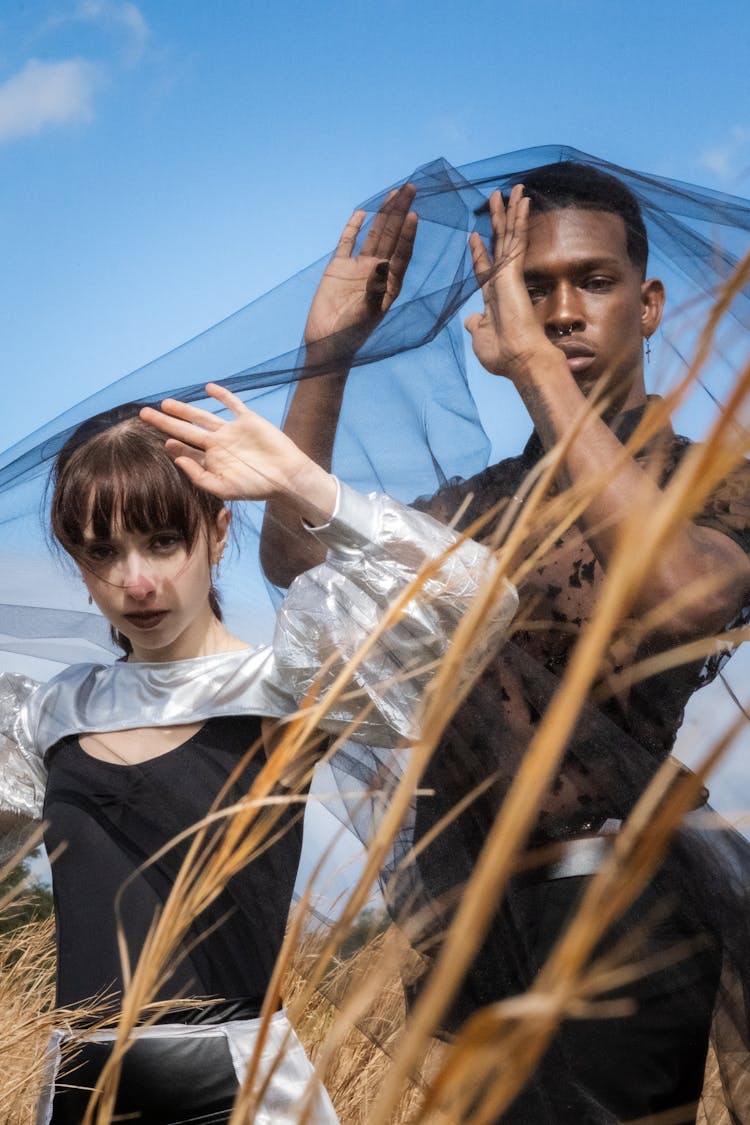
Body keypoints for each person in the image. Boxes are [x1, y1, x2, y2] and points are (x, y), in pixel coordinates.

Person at [260, 162, 750, 1122]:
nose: (562, 311)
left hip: (627, 909)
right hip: (468, 922)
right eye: (533, 287)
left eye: (593, 282)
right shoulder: (471, 510)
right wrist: (327, 354)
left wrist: (534, 373)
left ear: (648, 305)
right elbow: (295, 559)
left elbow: (684, 596)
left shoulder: (716, 481)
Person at [0, 381, 517, 1124]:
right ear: (80, 568)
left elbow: (478, 599)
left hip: (241, 1084)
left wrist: (304, 484)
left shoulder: (288, 683)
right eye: (104, 552)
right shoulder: (48, 712)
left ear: (217, 531)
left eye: (163, 541)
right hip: (81, 1087)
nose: (137, 580)